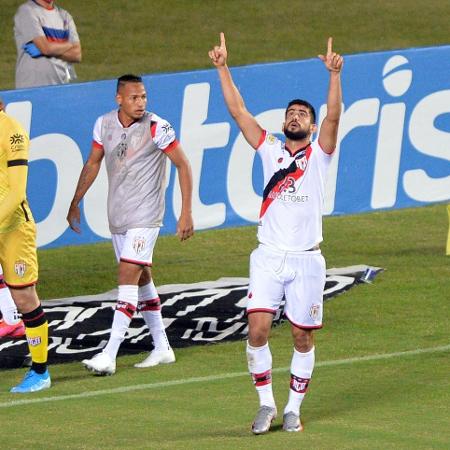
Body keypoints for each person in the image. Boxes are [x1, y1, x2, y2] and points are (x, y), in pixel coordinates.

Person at [209, 34, 343, 433]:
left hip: (306, 258)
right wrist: (222, 67)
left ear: (312, 125)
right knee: (258, 329)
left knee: (303, 337)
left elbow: (334, 118)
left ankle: (293, 409)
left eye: (303, 113)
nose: (296, 116)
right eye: (291, 113)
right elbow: (238, 112)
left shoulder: (320, 155)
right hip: (268, 255)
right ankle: (266, 405)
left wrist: (334, 76)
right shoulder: (269, 149)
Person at [67, 74, 194, 376]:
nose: (141, 103)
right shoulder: (104, 124)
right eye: (134, 97)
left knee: (126, 274)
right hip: (119, 216)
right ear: (119, 99)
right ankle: (162, 347)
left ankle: (109, 355)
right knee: (141, 279)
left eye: (144, 97)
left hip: (146, 215)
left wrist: (186, 212)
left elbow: (183, 164)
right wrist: (75, 201)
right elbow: (93, 162)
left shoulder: (157, 127)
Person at [0, 98, 51, 392]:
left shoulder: (12, 131)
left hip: (14, 228)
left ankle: (40, 372)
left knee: (24, 299)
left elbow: (17, 191)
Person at [14, 0, 82, 89]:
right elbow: (45, 48)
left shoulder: (65, 16)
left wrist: (46, 50)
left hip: (60, 87)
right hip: (30, 87)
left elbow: (77, 55)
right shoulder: (27, 11)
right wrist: (69, 45)